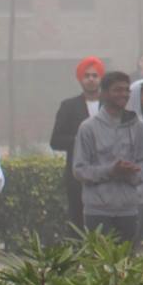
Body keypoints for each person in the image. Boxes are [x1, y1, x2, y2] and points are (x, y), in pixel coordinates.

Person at [71, 70, 143, 244]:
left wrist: (133, 173)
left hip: (129, 209)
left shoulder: (139, 128)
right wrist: (111, 171)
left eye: (126, 90)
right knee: (98, 265)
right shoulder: (88, 128)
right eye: (117, 90)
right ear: (104, 93)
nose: (123, 94)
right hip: (97, 210)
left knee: (127, 266)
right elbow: (79, 170)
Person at [50, 56, 104, 228]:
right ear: (80, 79)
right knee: (78, 223)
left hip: (107, 176)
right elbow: (56, 140)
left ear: (101, 78)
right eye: (87, 75)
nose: (91, 79)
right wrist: (80, 140)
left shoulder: (110, 105)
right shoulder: (69, 106)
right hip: (78, 178)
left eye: (95, 75)